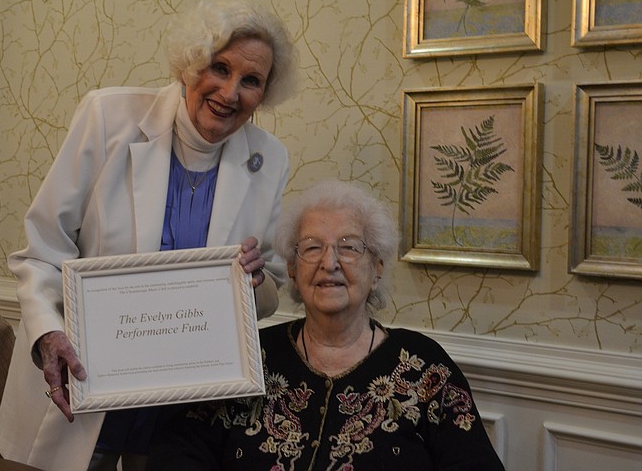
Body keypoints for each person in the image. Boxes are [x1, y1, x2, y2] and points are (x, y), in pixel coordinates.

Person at [0, 0, 299, 471]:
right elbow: (40, 253)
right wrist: (47, 333)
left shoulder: (269, 158)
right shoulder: (108, 118)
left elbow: (270, 293)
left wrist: (252, 284)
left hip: (179, 406)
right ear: (190, 63)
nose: (230, 92)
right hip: (82, 384)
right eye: (219, 68)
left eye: (251, 81)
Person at [146, 181, 505, 471]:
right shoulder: (250, 354)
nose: (329, 263)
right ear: (291, 269)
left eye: (348, 247)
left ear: (377, 269)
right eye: (312, 248)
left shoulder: (425, 367)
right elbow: (177, 451)